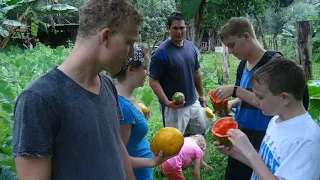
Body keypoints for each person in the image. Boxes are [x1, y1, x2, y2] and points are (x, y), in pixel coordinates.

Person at [12, 0, 142, 179]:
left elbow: (116, 146)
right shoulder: (38, 99)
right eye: (129, 42)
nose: (131, 54)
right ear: (105, 37)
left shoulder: (107, 85)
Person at [213, 17, 310, 180]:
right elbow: (245, 96)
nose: (230, 51)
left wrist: (236, 91)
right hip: (241, 137)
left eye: (232, 45)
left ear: (246, 37)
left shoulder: (275, 64)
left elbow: (298, 102)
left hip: (265, 141)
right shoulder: (242, 65)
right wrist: (232, 103)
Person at [214, 58, 320, 180]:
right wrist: (234, 152)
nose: (254, 101)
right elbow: (265, 167)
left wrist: (250, 152)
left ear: (284, 98)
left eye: (260, 97)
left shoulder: (308, 141)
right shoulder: (275, 120)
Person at [114, 44, 171, 180]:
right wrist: (152, 162)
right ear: (131, 70)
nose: (148, 73)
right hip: (136, 175)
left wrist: (141, 121)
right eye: (145, 67)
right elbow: (118, 156)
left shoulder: (129, 99)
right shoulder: (124, 107)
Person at [149, 11, 207, 136]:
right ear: (168, 29)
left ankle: (195, 156)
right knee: (174, 142)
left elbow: (196, 73)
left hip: (193, 102)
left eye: (182, 28)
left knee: (199, 134)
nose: (179, 32)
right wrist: (166, 102)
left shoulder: (191, 47)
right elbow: (153, 81)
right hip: (174, 107)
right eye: (175, 28)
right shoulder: (161, 52)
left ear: (186, 28)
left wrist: (201, 94)